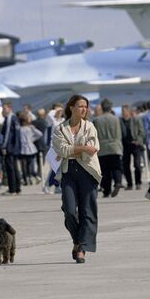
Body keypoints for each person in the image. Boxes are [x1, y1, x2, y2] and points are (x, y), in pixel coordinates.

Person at [52, 94, 101, 264]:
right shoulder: (60, 129)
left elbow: (93, 148)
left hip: (87, 171)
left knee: (88, 211)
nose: (84, 109)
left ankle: (82, 248)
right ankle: (77, 239)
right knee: (70, 211)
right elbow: (62, 151)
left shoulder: (90, 127)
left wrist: (75, 149)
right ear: (71, 107)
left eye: (86, 107)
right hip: (68, 173)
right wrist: (82, 147)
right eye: (80, 106)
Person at [93, 98, 123, 198]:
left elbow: (95, 135)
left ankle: (107, 190)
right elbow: (119, 134)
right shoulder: (116, 119)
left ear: (102, 107)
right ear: (110, 107)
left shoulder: (97, 120)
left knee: (105, 170)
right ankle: (118, 181)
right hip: (115, 146)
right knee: (116, 167)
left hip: (102, 147)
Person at [120, 105, 145, 190]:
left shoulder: (136, 120)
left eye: (124, 111)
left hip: (135, 145)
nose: (123, 113)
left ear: (129, 111)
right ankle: (129, 184)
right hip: (125, 145)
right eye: (122, 111)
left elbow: (141, 132)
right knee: (126, 166)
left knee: (137, 165)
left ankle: (138, 182)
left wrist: (138, 140)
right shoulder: (120, 121)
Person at [1, 101, 21, 195]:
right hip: (14, 147)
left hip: (10, 148)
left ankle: (12, 189)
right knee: (15, 168)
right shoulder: (14, 118)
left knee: (10, 169)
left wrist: (4, 146)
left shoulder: (10, 119)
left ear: (10, 109)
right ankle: (17, 188)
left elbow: (8, 135)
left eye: (4, 108)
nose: (3, 110)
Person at [18, 112, 43, 185]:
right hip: (31, 147)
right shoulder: (30, 127)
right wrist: (32, 139)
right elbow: (40, 134)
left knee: (24, 166)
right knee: (30, 164)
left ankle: (27, 179)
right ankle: (33, 176)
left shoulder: (19, 129)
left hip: (22, 148)